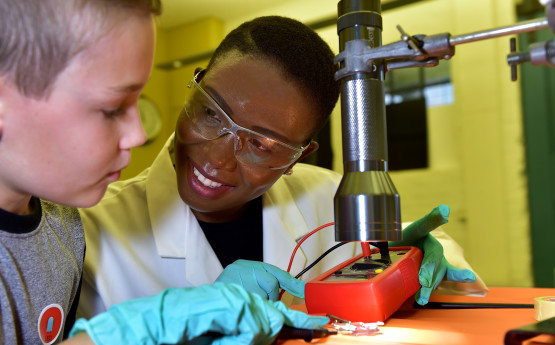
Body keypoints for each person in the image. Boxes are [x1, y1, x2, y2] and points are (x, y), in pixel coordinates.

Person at [77, 15, 486, 322]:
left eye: (260, 144)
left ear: (297, 157)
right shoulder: (93, 231)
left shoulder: (329, 197)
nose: (216, 158)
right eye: (210, 113)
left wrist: (412, 264)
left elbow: (457, 290)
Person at [0, 2, 327, 344]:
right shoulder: (85, 226)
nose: (141, 134)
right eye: (112, 109)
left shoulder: (61, 230)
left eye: (261, 145)